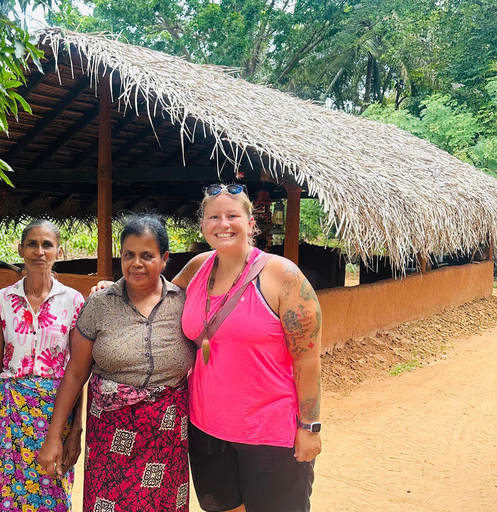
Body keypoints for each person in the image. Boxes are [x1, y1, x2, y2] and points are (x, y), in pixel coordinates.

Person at [175, 183, 322, 512]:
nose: (223, 224)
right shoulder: (197, 268)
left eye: (232, 216)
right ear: (202, 225)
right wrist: (112, 288)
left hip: (270, 432)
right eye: (213, 217)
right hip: (206, 429)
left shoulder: (283, 277)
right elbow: (156, 299)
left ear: (250, 223)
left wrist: (309, 426)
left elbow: (308, 360)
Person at [38, 214, 196, 512]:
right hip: (110, 438)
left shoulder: (183, 303)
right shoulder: (99, 303)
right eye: (129, 255)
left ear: (164, 259)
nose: (136, 263)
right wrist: (54, 436)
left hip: (167, 438)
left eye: (147, 255)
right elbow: (75, 373)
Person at [0, 219, 85, 512]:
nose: (39, 251)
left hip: (56, 413)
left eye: (47, 245)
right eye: (32, 244)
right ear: (21, 249)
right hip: (10, 414)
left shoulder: (74, 302)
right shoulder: (1, 300)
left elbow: (77, 369)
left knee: (54, 491)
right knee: (8, 495)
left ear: (59, 252)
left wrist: (76, 430)